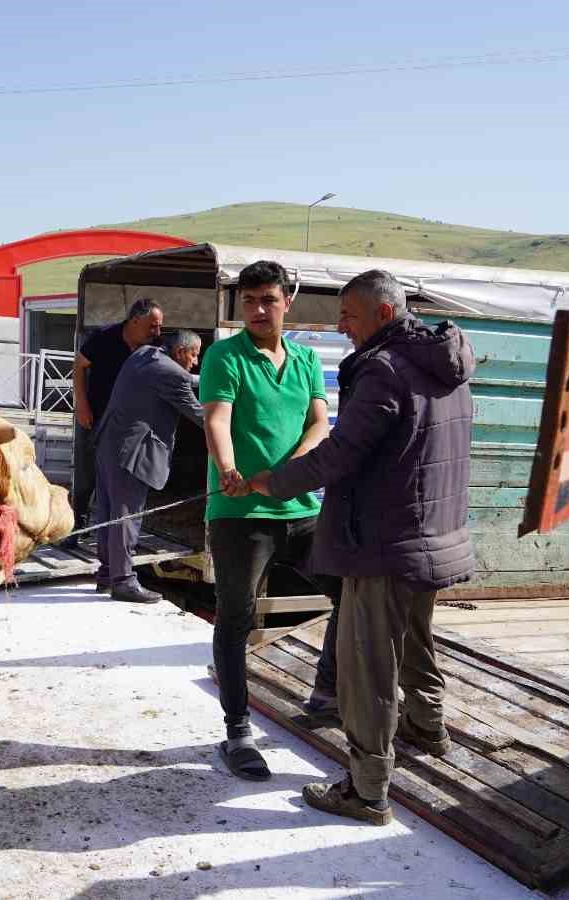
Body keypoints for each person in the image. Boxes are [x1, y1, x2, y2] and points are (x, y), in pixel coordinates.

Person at [249, 269, 476, 825]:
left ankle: (366, 789)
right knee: (416, 639)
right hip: (432, 533)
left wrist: (270, 482)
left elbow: (340, 455)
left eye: (349, 314)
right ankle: (427, 726)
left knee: (367, 665)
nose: (341, 324)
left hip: (383, 541)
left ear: (382, 312)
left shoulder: (383, 370)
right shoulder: (444, 362)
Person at [200, 260, 333, 783]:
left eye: (267, 300)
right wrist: (230, 468)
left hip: (302, 510)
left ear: (286, 302)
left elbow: (320, 422)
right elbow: (216, 418)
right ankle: (237, 731)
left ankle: (327, 694)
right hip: (240, 515)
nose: (257, 309)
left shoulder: (305, 359)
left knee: (351, 596)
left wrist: (289, 473)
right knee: (236, 618)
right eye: (249, 301)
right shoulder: (224, 356)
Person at [90, 329, 204, 603]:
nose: (196, 361)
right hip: (132, 452)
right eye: (194, 354)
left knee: (108, 512)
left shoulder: (144, 354)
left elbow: (188, 378)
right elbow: (198, 413)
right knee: (127, 516)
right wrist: (234, 424)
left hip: (109, 444)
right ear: (179, 352)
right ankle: (124, 581)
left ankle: (107, 575)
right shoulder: (172, 374)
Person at [70, 298, 164, 536]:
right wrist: (81, 404)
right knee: (87, 474)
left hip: (131, 425)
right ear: (135, 320)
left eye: (159, 326)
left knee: (124, 476)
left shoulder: (155, 346)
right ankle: (77, 527)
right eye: (153, 325)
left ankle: (118, 528)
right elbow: (79, 366)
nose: (157, 332)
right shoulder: (104, 338)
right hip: (95, 417)